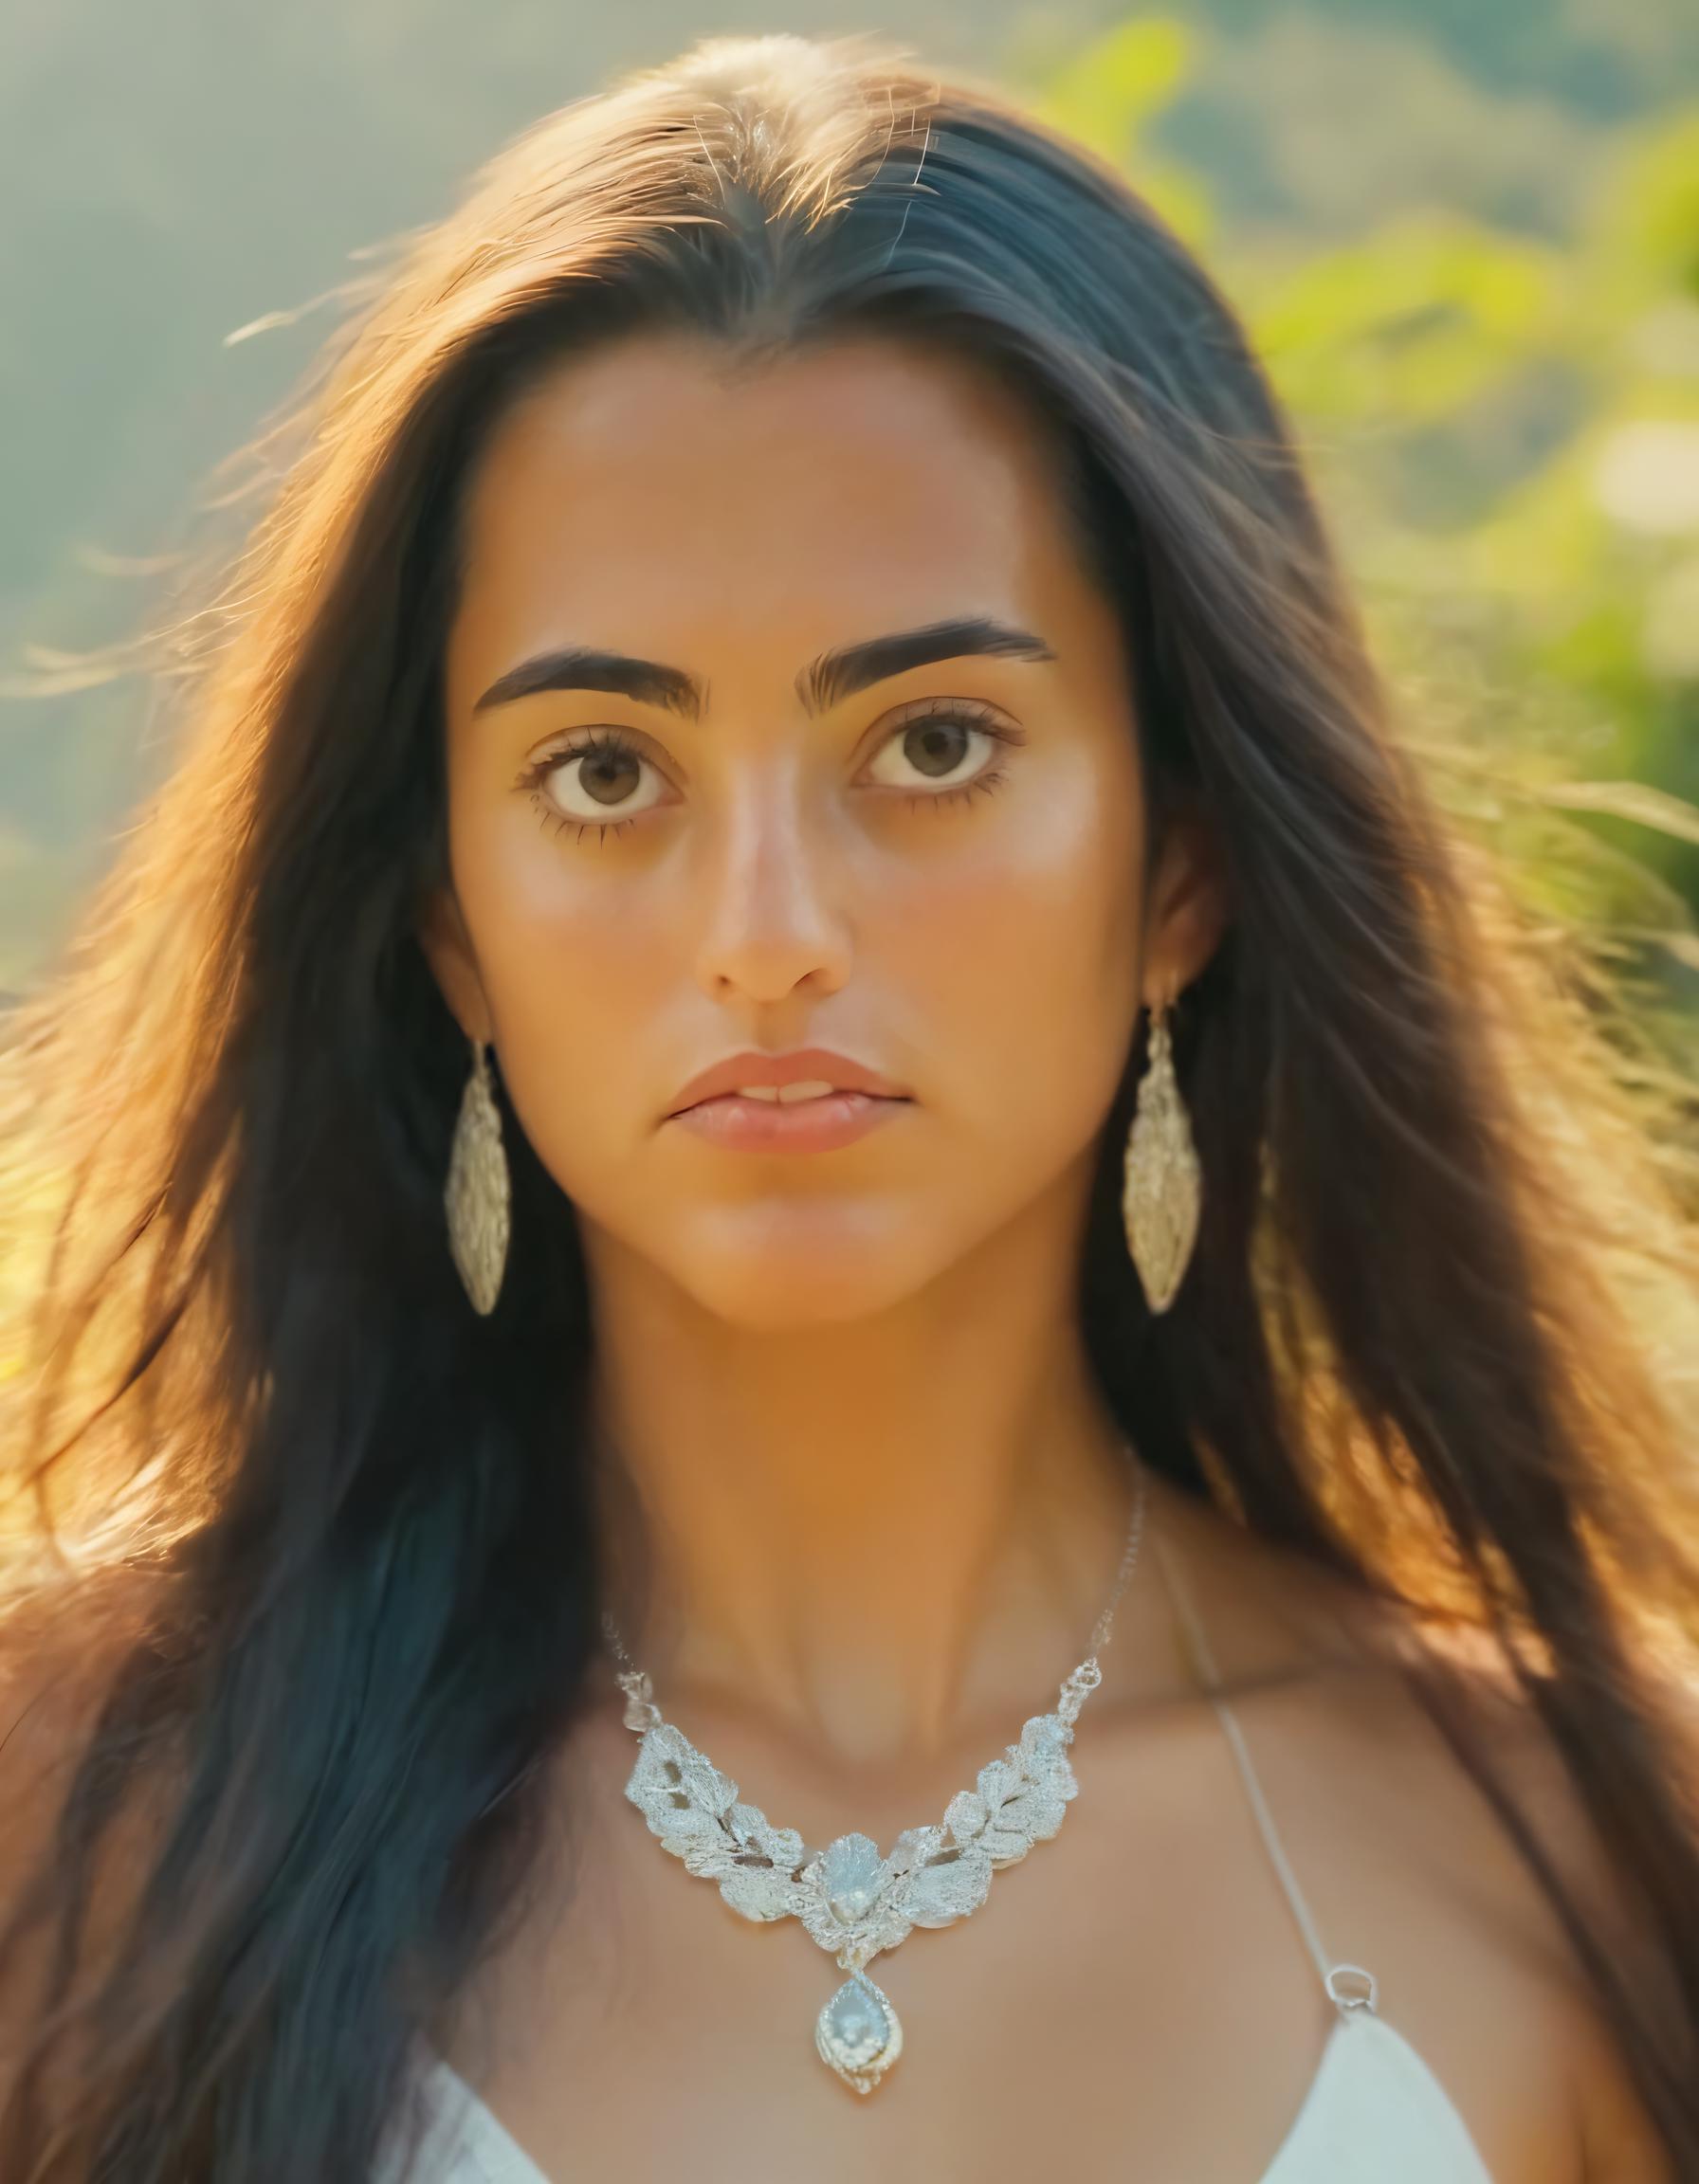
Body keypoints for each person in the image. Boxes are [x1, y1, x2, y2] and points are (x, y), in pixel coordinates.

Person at [0, 28, 1694, 2183]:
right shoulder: (80, 1823)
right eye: (604, 774)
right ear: (451, 930)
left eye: (929, 745)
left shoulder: (1582, 1856)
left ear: (1180, 862)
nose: (766, 931)